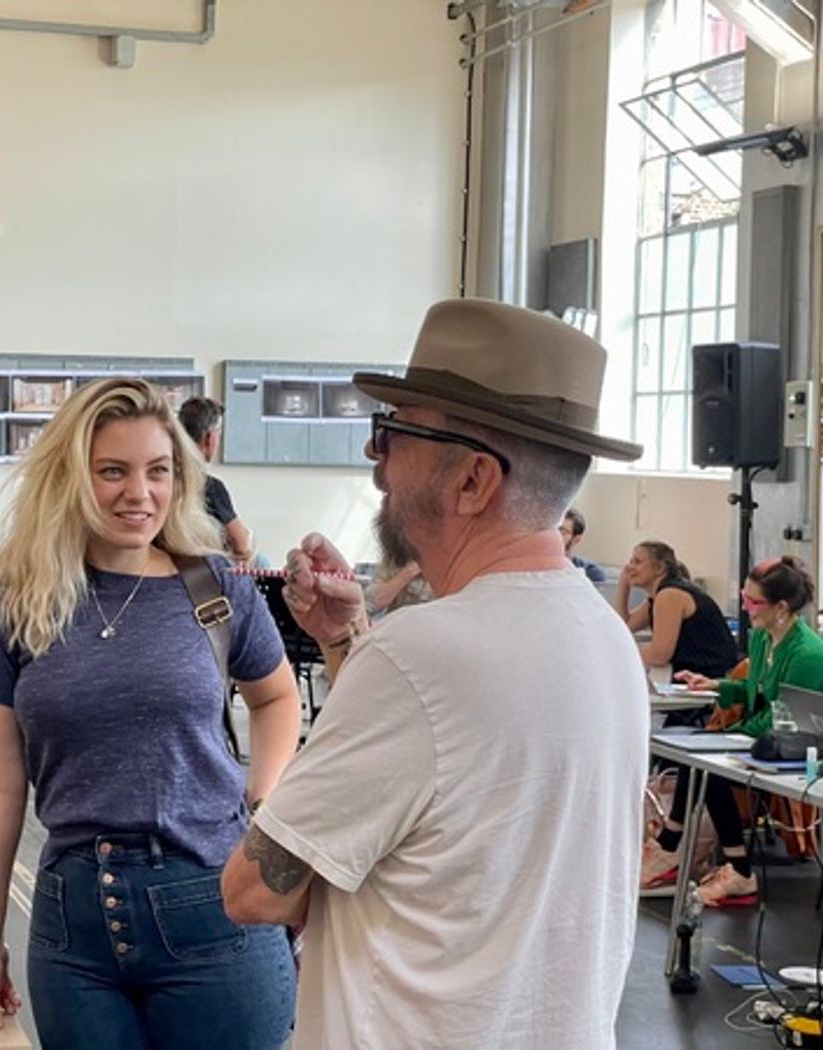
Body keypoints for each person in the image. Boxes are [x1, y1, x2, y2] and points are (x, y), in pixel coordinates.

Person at [220, 299, 648, 1050]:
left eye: (393, 433)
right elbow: (456, 841)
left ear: (474, 481)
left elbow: (256, 891)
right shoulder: (604, 637)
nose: (374, 459)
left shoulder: (421, 655)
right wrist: (347, 637)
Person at [0, 377, 301, 1049]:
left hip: (214, 908)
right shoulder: (16, 605)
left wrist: (265, 803)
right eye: (112, 472)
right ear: (71, 478)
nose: (138, 493)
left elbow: (277, 696)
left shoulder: (215, 587)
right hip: (71, 929)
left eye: (158, 472)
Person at [641, 556, 823, 904]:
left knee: (710, 765)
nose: (746, 607)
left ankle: (684, 851)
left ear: (781, 607)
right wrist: (716, 686)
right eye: (744, 597)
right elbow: (756, 691)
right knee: (697, 758)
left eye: (753, 602)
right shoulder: (762, 639)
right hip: (764, 736)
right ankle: (699, 856)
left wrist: (729, 733)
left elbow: (780, 716)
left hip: (795, 745)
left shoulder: (808, 654)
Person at [616, 540, 737, 680]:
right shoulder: (658, 596)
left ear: (660, 568)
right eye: (630, 561)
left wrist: (620, 656)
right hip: (693, 675)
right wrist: (623, 587)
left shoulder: (670, 595)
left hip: (710, 677)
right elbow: (624, 625)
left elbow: (659, 655)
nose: (629, 567)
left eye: (637, 562)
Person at [178, 396, 254, 562]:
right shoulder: (210, 486)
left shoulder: (165, 478)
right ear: (210, 439)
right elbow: (241, 545)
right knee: (262, 562)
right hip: (203, 570)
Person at [559, 507, 606, 582]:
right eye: (553, 529)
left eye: (562, 532)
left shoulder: (590, 573)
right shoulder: (537, 569)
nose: (554, 535)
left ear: (576, 540)